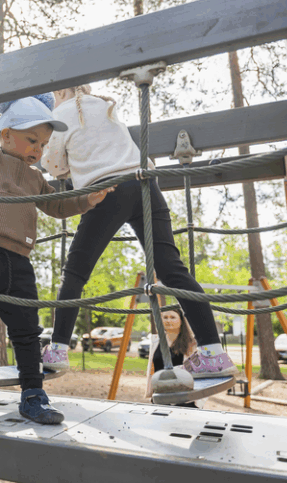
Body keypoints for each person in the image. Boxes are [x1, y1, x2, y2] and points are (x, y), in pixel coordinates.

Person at [0, 60, 113, 425]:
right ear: (7, 134)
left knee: (27, 332)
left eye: (43, 144)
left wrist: (86, 199)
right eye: (32, 140)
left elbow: (57, 205)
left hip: (18, 264)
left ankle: (32, 394)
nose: (38, 150)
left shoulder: (34, 179)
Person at [40, 85, 238, 381]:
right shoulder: (104, 106)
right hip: (145, 184)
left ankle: (57, 350)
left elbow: (53, 165)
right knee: (172, 270)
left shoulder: (63, 113)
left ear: (60, 91)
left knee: (75, 272)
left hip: (106, 189)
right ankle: (214, 353)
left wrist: (70, 166)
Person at [144, 308, 203, 408]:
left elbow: (199, 373)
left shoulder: (192, 344)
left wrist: (198, 400)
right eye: (165, 317)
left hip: (183, 400)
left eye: (172, 317)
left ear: (181, 320)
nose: (168, 320)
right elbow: (152, 369)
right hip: (160, 397)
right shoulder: (156, 341)